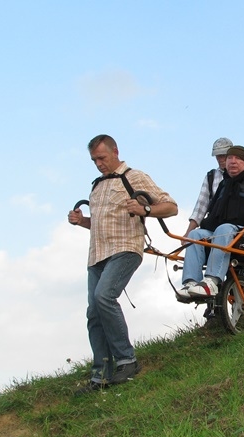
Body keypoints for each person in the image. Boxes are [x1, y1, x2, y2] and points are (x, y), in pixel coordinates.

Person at [68, 134, 178, 394]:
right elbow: (100, 224)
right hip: (97, 255)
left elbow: (171, 206)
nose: (98, 164)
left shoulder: (134, 177)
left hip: (126, 248)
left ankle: (127, 360)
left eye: (102, 158)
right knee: (94, 311)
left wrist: (146, 210)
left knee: (104, 296)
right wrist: (81, 221)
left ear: (115, 151)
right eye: (94, 160)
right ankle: (101, 375)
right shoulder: (97, 185)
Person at [177, 145, 244, 299]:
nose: (232, 161)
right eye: (230, 158)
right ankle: (191, 283)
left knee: (224, 228)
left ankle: (212, 281)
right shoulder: (224, 185)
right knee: (196, 234)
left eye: (237, 158)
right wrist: (204, 224)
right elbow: (213, 214)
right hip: (226, 232)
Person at [182, 137, 233, 240]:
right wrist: (188, 233)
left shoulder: (242, 174)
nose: (220, 159)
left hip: (233, 224)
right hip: (214, 222)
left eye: (223, 155)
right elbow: (200, 207)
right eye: (217, 156)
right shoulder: (211, 176)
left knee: (223, 230)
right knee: (194, 236)